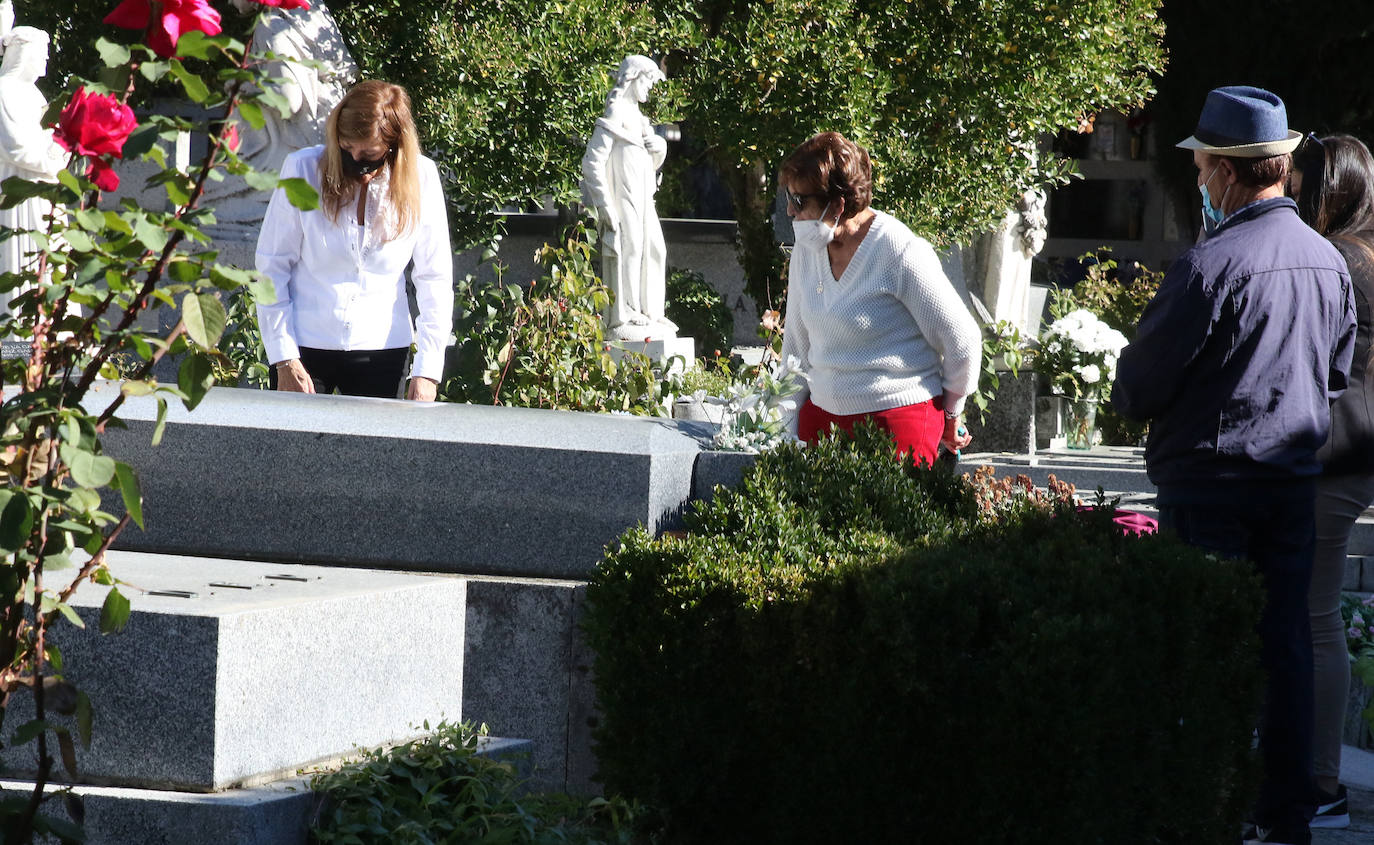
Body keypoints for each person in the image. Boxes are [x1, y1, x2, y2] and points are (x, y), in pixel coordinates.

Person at [1112, 86, 1357, 845]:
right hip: (1289, 482)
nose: (1199, 179)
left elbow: (1138, 386)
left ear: (1224, 170)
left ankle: (1209, 806)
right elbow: (1338, 372)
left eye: (1203, 165)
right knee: (1283, 647)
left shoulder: (1210, 264)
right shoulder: (1327, 261)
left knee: (1210, 649)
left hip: (1210, 484)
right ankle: (1284, 815)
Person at [777, 131, 980, 466]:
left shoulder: (897, 250)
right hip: (822, 425)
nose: (789, 210)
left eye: (799, 201)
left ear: (838, 204)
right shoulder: (806, 250)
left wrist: (952, 411)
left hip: (896, 424)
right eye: (789, 196)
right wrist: (781, 427)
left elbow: (963, 338)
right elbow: (796, 351)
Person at [255, 80, 453, 400]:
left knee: (375, 451)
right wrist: (283, 357)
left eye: (369, 153)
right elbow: (271, 266)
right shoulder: (302, 169)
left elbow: (435, 277)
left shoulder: (422, 178)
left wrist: (427, 369)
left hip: (382, 350)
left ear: (394, 146)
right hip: (303, 349)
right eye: (347, 149)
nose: (357, 160)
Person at [1291, 133, 1374, 831]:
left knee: (1316, 615)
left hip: (1334, 453)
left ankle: (1322, 784)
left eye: (1298, 183)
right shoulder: (1366, 252)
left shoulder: (1338, 259)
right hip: (1355, 453)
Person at [580, 55, 675, 340]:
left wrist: (660, 147)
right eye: (647, 80)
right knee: (630, 248)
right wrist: (604, 205)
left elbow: (648, 161)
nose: (649, 88)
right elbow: (592, 162)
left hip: (645, 198)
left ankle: (651, 312)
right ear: (633, 78)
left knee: (655, 249)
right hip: (623, 197)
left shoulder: (640, 118)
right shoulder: (617, 111)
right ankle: (626, 313)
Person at [0, 13, 66, 311]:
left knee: (48, 272)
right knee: (19, 265)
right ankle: (17, 352)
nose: (45, 61)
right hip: (19, 190)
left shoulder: (33, 93)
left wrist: (59, 148)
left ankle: (48, 350)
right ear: (24, 54)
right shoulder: (4, 91)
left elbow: (51, 134)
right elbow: (14, 146)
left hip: (43, 192)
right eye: (41, 54)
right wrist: (52, 154)